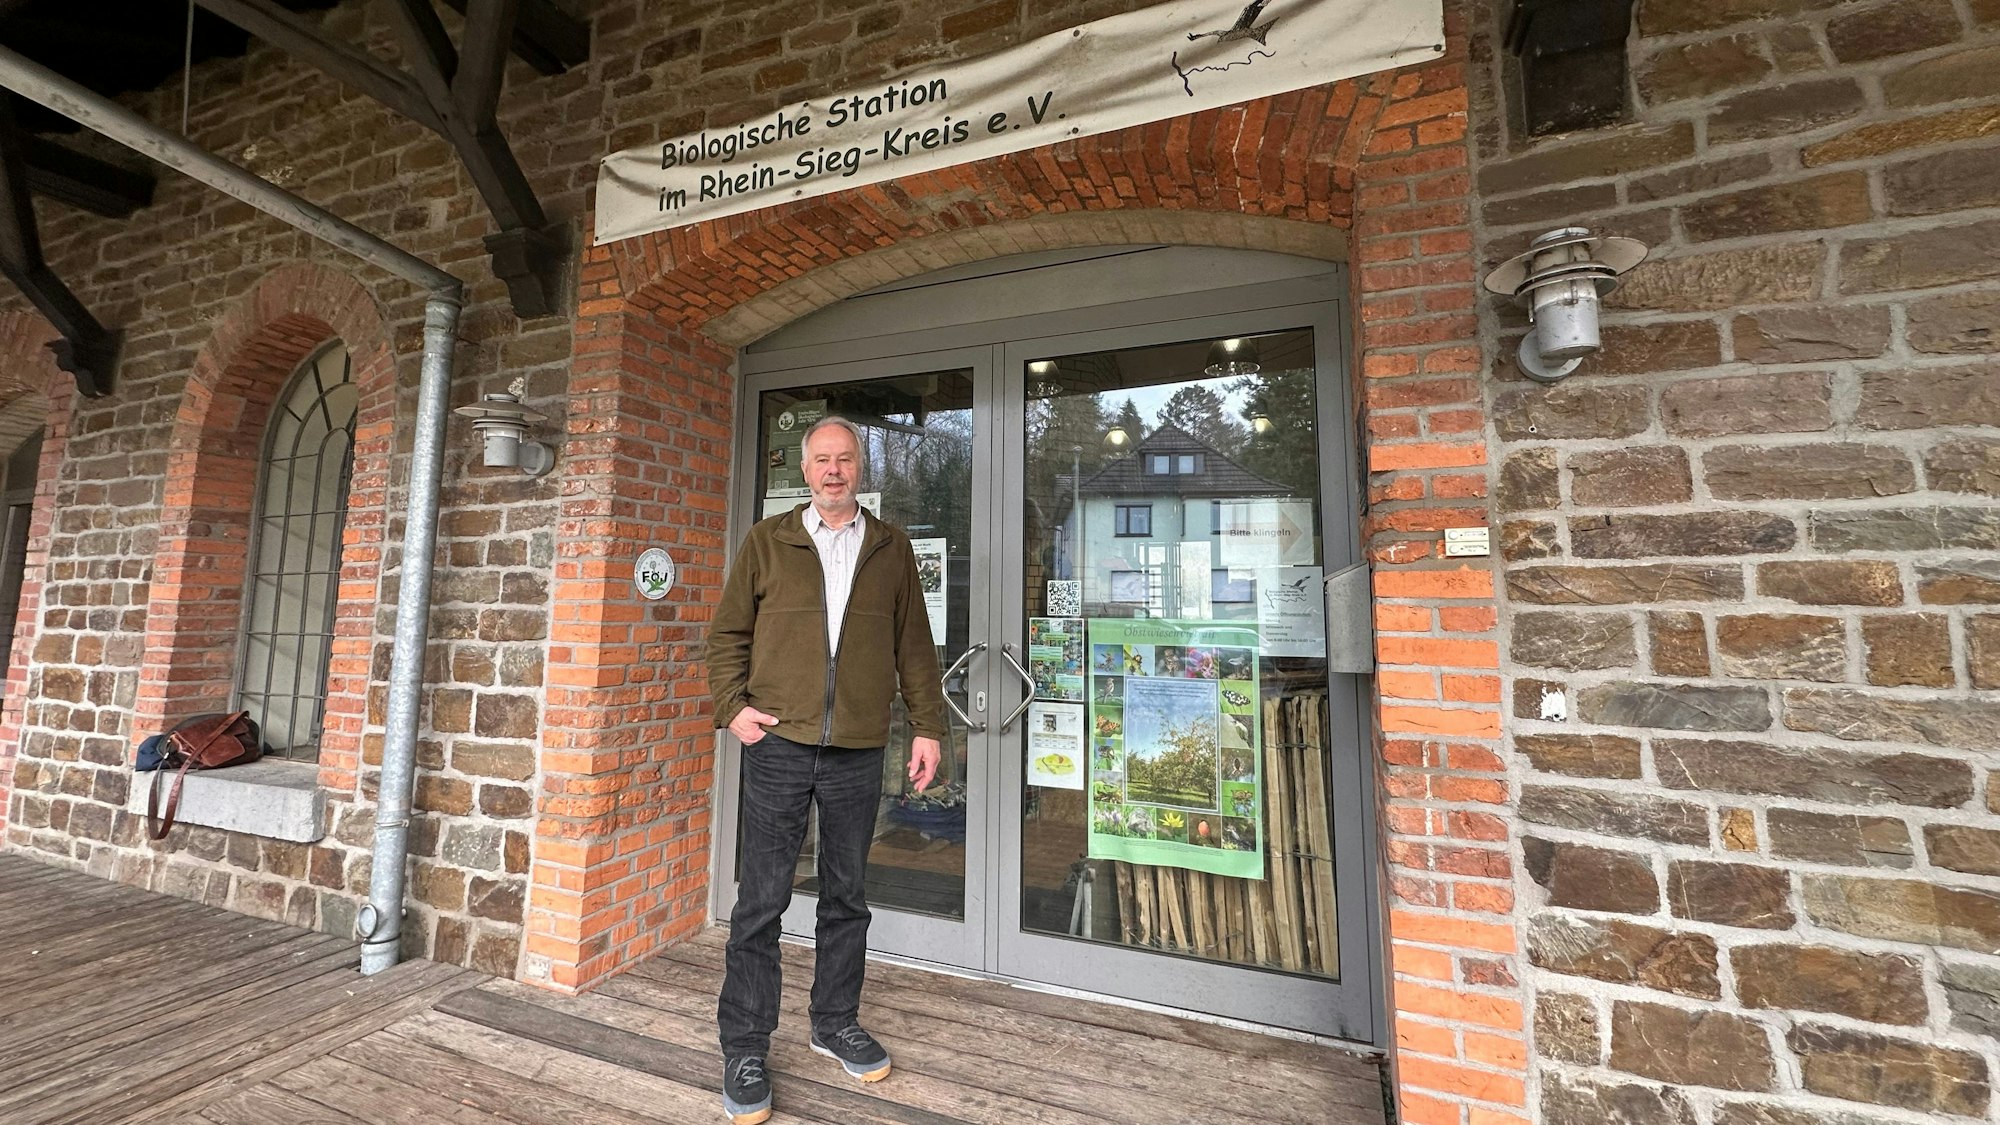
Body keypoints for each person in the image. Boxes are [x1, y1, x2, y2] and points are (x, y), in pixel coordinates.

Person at [705, 415, 946, 1125]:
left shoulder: (890, 547)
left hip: (858, 748)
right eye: (822, 459)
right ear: (805, 470)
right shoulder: (767, 541)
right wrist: (732, 708)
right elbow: (726, 635)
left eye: (845, 459)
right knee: (762, 901)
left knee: (847, 896)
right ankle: (746, 1045)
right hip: (777, 743)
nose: (834, 470)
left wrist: (928, 725)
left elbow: (916, 646)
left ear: (859, 469)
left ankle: (833, 1020)